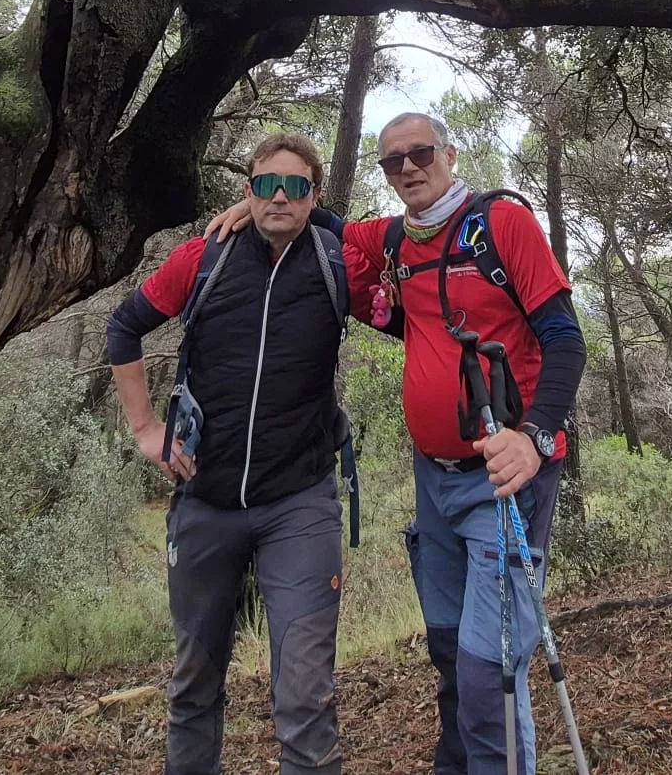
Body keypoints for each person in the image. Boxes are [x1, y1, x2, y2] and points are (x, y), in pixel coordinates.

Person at [209, 111, 586, 775]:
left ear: (450, 154)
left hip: (503, 479)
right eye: (393, 161)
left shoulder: (503, 225)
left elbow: (566, 340)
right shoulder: (394, 237)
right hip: (433, 482)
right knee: (450, 653)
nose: (408, 168)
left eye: (421, 154)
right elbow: (328, 224)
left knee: (489, 672)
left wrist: (534, 438)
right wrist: (263, 201)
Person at [107, 133, 366, 775]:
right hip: (205, 498)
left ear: (315, 195)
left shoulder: (337, 264)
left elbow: (411, 290)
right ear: (247, 190)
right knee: (194, 684)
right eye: (266, 184)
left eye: (295, 186)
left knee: (305, 695)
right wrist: (145, 427)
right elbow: (124, 326)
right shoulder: (205, 258)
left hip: (300, 502)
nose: (280, 197)